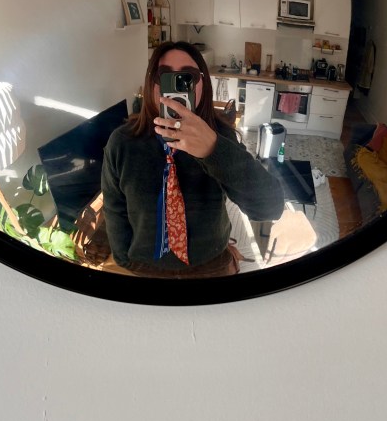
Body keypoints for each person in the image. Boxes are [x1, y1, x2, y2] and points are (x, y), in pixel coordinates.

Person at [100, 41, 284, 276]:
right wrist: (123, 259)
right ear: (151, 83)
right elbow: (113, 208)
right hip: (145, 267)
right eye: (164, 75)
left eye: (188, 77)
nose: (176, 87)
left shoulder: (219, 136)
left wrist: (214, 149)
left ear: (201, 85)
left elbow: (270, 208)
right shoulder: (122, 142)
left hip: (211, 263)